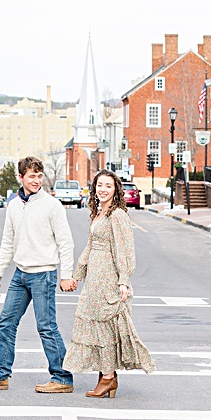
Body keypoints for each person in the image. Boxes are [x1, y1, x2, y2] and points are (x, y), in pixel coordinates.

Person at [0, 155, 77, 394]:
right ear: (21, 177)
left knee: (46, 327)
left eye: (39, 176)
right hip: (20, 275)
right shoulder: (15, 206)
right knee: (6, 322)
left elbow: (66, 243)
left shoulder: (52, 205)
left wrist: (66, 275)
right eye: (32, 176)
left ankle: (62, 378)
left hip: (44, 275)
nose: (37, 181)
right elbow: (8, 241)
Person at [63, 169, 154, 398]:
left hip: (109, 278)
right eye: (100, 185)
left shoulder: (118, 216)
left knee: (106, 330)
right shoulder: (98, 214)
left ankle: (108, 378)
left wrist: (123, 280)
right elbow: (90, 246)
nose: (103, 190)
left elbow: (125, 251)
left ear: (116, 190)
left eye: (108, 186)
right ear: (94, 188)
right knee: (96, 329)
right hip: (94, 279)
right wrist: (77, 274)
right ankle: (106, 374)